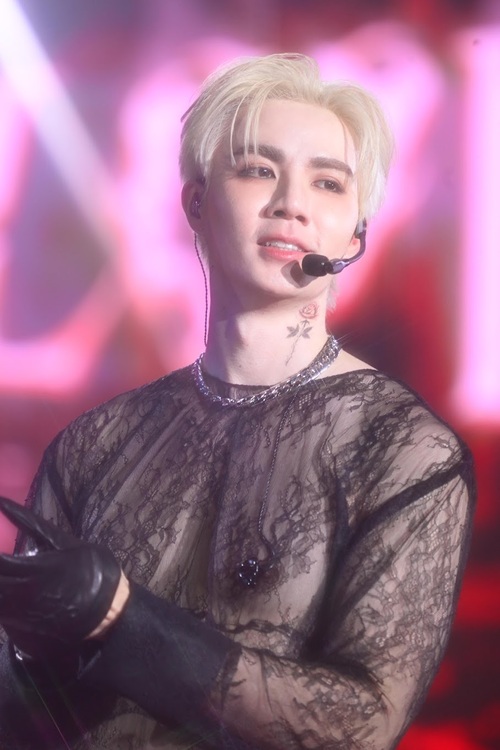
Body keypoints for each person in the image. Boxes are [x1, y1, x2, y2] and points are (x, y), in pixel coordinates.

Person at [0, 53, 475, 750]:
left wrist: (125, 619)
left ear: (355, 235)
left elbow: (364, 723)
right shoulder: (91, 446)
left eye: (327, 182)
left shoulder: (404, 450)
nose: (292, 202)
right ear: (195, 202)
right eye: (258, 169)